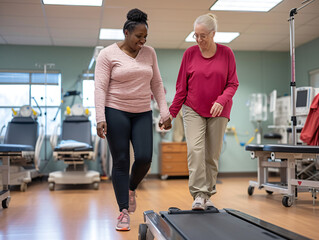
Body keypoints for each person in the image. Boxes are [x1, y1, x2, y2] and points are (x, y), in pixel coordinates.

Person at [94, 8, 172, 231]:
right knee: (120, 161)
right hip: (115, 110)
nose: (142, 41)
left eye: (145, 37)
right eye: (138, 36)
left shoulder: (150, 53)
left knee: (145, 157)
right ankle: (123, 212)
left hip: (142, 111)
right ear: (126, 32)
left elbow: (156, 83)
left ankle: (131, 187)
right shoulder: (107, 54)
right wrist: (100, 117)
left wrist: (164, 112)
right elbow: (100, 87)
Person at [169, 13, 239, 210]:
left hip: (219, 110)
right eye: (196, 36)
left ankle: (208, 195)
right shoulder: (189, 54)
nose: (199, 40)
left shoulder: (226, 53)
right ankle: (199, 194)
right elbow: (181, 87)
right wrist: (171, 113)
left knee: (212, 154)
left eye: (203, 36)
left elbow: (233, 83)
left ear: (213, 34)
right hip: (193, 108)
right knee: (195, 150)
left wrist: (222, 100)